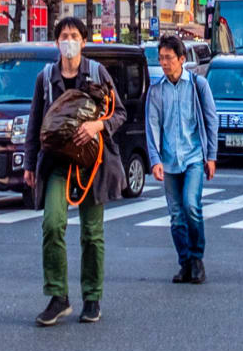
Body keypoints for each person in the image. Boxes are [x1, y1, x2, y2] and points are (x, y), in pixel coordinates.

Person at [28, 18, 135, 327]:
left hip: (93, 162)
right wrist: (28, 165)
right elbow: (35, 121)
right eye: (64, 36)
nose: (69, 40)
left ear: (84, 41)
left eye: (74, 35)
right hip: (56, 162)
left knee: (91, 232)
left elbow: (119, 113)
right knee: (52, 224)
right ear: (55, 42)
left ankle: (92, 297)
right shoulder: (46, 78)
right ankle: (58, 297)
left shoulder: (96, 73)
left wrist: (97, 125)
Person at [145, 37, 216, 281]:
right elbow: (152, 125)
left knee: (191, 206)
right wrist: (155, 160)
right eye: (161, 58)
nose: (164, 63)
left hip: (194, 156)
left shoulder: (198, 85)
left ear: (182, 60)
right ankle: (184, 262)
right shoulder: (156, 91)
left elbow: (210, 120)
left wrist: (211, 156)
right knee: (175, 215)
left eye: (169, 58)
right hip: (169, 159)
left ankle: (197, 258)